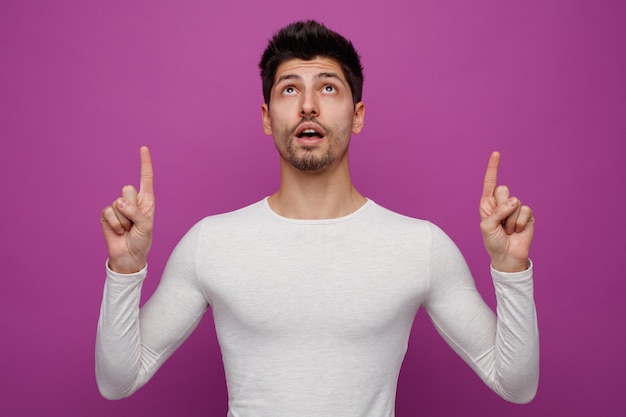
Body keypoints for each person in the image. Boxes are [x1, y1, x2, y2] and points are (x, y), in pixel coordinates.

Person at [97, 20, 539, 416]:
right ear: (268, 118)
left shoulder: (419, 246)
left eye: (328, 88)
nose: (308, 105)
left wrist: (510, 269)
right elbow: (118, 382)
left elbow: (516, 385)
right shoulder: (211, 242)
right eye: (290, 89)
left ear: (358, 114)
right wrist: (126, 269)